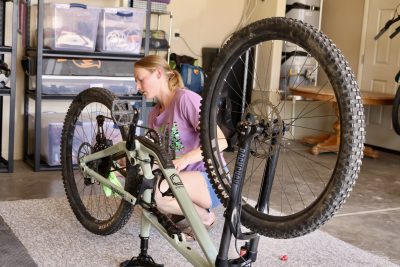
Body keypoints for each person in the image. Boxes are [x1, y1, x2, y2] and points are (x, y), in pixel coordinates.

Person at [134, 55, 227, 235]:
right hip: (182, 178)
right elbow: (161, 155)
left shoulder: (186, 99)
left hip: (211, 179)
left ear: (159, 73)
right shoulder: (154, 114)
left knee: (157, 195)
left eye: (141, 79)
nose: (137, 87)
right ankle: (182, 209)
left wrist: (185, 159)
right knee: (144, 187)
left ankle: (206, 218)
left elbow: (221, 141)